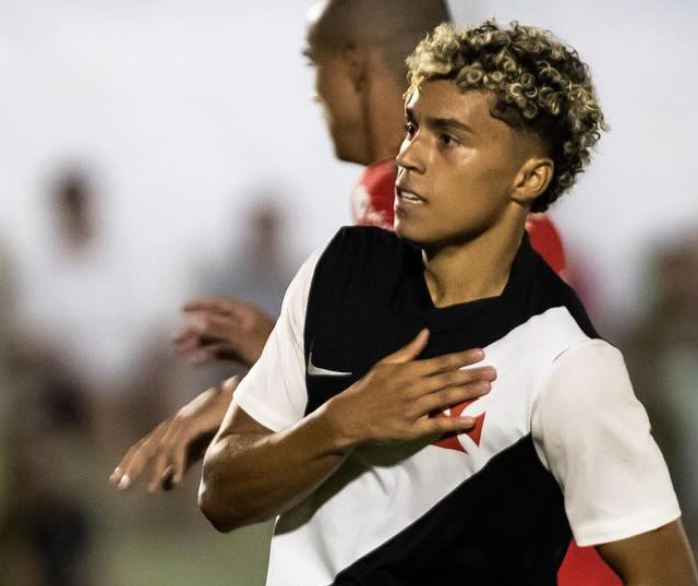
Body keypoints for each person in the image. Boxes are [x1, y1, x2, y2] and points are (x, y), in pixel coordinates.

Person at [118, 2, 618, 581]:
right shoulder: (499, 203)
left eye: (314, 65)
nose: (315, 93)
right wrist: (282, 360)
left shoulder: (399, 199)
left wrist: (258, 382)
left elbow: (449, 377)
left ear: (354, 67)